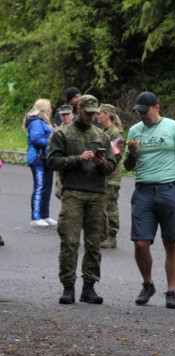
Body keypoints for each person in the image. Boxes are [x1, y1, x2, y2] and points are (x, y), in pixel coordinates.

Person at [47, 95, 117, 305]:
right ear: (79, 110)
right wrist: (77, 159)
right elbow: (52, 161)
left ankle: (89, 287)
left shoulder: (102, 136)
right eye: (88, 113)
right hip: (73, 193)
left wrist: (101, 162)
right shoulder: (62, 133)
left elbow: (111, 167)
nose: (92, 116)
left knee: (94, 242)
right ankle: (68, 287)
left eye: (95, 113)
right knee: (69, 241)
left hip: (97, 194)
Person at [124, 91, 175, 310]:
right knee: (140, 242)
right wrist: (132, 154)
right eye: (139, 112)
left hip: (168, 189)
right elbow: (128, 166)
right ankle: (148, 283)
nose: (141, 115)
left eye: (145, 111)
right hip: (143, 191)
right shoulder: (135, 131)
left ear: (156, 108)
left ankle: (171, 291)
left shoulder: (174, 127)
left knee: (171, 242)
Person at [96, 103, 125, 249]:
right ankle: (102, 234)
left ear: (107, 114)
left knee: (110, 206)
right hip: (101, 175)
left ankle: (111, 236)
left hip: (111, 176)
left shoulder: (115, 133)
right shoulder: (102, 131)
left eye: (100, 113)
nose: (97, 116)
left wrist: (105, 161)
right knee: (100, 206)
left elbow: (117, 154)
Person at [24, 99, 56, 227]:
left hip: (46, 159)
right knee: (39, 187)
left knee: (47, 188)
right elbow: (36, 139)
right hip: (37, 159)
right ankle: (35, 217)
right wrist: (52, 141)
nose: (51, 110)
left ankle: (45, 215)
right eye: (50, 107)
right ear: (44, 109)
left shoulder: (43, 122)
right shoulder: (37, 122)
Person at [52, 104, 75, 201]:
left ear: (72, 115)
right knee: (64, 196)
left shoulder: (79, 130)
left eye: (67, 114)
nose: (65, 117)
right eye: (63, 115)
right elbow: (51, 150)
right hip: (62, 168)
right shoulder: (57, 132)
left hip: (76, 167)